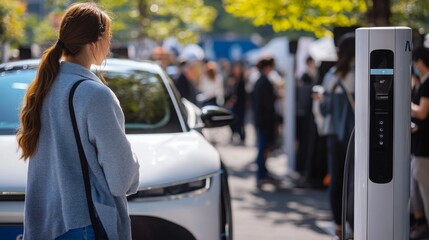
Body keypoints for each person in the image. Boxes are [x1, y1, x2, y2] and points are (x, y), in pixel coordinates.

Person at [16, 3, 140, 240]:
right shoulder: (96, 95)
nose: (110, 43)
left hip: (44, 225)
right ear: (95, 42)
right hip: (85, 224)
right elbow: (121, 180)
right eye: (109, 36)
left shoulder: (41, 88)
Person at [316, 33, 355, 239]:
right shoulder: (361, 75)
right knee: (355, 181)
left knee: (336, 179)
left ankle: (338, 226)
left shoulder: (331, 75)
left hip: (333, 133)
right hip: (354, 134)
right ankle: (355, 225)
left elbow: (324, 109)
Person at [410, 46, 429, 240]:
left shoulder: (428, 83)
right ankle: (421, 223)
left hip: (424, 147)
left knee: (424, 189)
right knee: (416, 188)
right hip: (419, 146)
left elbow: (422, 112)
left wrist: (404, 103)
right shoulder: (421, 82)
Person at [252, 56, 279, 188]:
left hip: (260, 120)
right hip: (265, 121)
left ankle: (262, 174)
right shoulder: (265, 82)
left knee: (262, 148)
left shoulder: (260, 81)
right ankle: (261, 175)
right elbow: (268, 105)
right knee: (263, 149)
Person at [225, 61, 247, 145]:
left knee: (240, 121)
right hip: (236, 105)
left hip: (240, 105)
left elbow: (239, 94)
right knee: (234, 121)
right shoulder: (234, 80)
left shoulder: (242, 81)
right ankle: (236, 135)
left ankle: (242, 137)